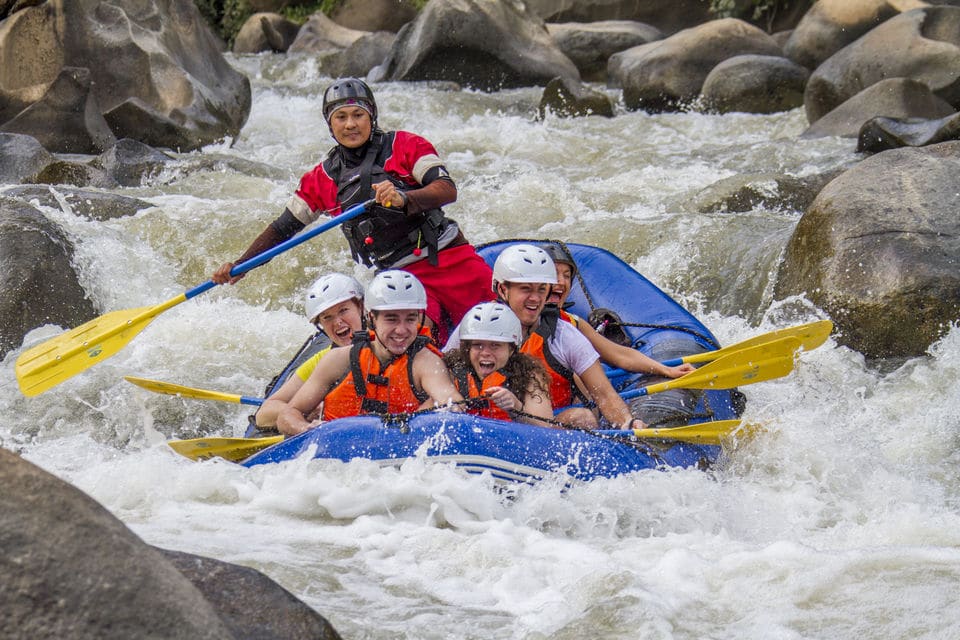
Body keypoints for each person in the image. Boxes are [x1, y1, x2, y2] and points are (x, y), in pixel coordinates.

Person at [212, 77, 494, 345]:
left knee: (496, 327)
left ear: (371, 117)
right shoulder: (321, 179)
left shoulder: (406, 146)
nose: (350, 125)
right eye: (341, 117)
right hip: (396, 278)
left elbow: (446, 189)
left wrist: (403, 198)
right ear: (329, 124)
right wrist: (241, 265)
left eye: (358, 115)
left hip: (447, 259)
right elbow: (283, 229)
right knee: (418, 342)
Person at [445, 244, 642, 431]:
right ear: (503, 290)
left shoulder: (563, 335)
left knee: (582, 418)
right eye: (526, 289)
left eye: (541, 289)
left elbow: (605, 396)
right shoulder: (474, 326)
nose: (536, 298)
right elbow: (441, 374)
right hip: (476, 427)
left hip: (543, 426)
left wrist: (628, 422)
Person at [277, 271, 463, 436]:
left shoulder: (426, 362)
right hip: (335, 452)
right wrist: (305, 429)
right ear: (371, 317)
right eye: (391, 319)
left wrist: (443, 407)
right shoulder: (338, 360)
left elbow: (451, 399)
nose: (401, 330)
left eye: (410, 319)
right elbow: (288, 414)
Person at [539, 241, 696, 380]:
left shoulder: (573, 323)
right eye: (553, 274)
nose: (561, 281)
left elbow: (620, 355)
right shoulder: (520, 322)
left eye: (567, 276)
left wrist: (666, 370)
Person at [253, 273, 365, 431]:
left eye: (343, 310)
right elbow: (263, 414)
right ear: (321, 325)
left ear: (360, 307)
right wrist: (302, 417)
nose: (338, 322)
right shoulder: (323, 361)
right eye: (327, 318)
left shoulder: (389, 342)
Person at [443, 302, 554, 426]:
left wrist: (516, 408)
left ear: (511, 350)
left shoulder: (529, 374)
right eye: (477, 345)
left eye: (495, 345)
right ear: (468, 349)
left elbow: (545, 428)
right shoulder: (451, 371)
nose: (485, 353)